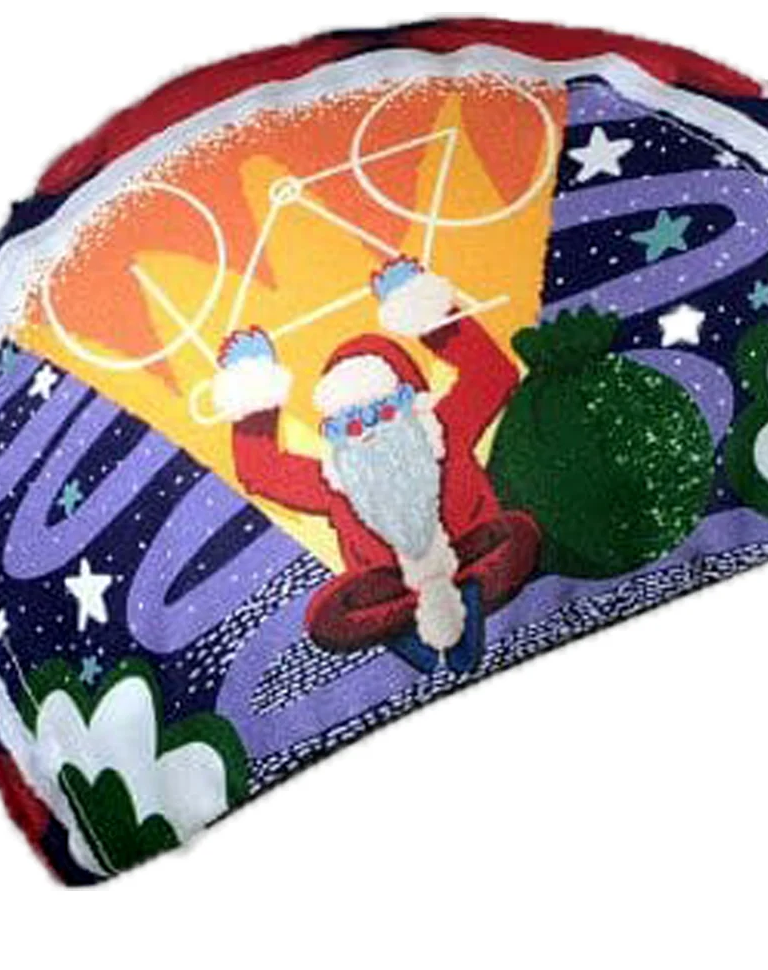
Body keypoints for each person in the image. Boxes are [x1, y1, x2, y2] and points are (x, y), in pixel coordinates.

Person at [210, 258, 540, 674]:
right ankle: (413, 640)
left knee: (512, 538)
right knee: (337, 612)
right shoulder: (335, 481)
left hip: (478, 557)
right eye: (350, 424)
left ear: (411, 405)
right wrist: (254, 390)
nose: (367, 432)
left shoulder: (445, 431)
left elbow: (492, 374)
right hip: (389, 595)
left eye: (382, 413)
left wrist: (428, 315)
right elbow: (262, 471)